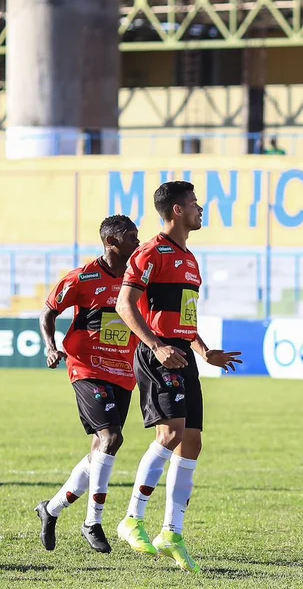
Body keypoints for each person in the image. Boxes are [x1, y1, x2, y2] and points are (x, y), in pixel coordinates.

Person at [114, 181, 242, 573]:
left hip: (183, 354)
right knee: (170, 434)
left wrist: (204, 351)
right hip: (158, 354)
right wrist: (156, 346)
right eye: (194, 204)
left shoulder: (189, 258)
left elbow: (184, 315)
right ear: (176, 211)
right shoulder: (150, 252)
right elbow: (124, 304)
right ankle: (132, 519)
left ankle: (171, 532)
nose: (200, 210)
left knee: (192, 442)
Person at [34, 215, 140, 554]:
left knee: (101, 449)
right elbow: (48, 312)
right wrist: (51, 347)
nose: (137, 241)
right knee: (111, 438)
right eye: (130, 236)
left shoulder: (137, 280)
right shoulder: (83, 277)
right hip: (86, 366)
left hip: (123, 371)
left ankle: (50, 510)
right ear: (111, 243)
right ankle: (92, 522)